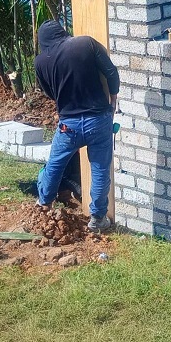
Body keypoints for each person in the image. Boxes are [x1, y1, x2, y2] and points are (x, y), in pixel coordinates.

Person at [34, 20, 119, 232]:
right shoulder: (85, 44)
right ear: (62, 32)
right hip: (99, 120)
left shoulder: (40, 62)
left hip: (68, 125)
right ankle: (98, 219)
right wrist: (113, 100)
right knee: (100, 170)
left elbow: (49, 92)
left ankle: (44, 203)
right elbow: (111, 72)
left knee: (55, 165)